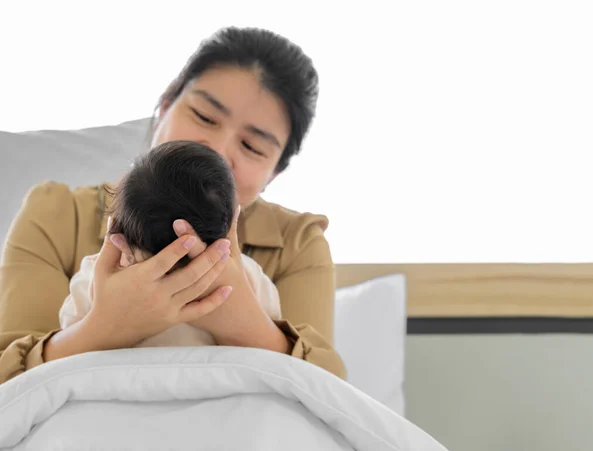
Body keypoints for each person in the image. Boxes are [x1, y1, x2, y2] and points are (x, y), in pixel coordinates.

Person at [0, 26, 346, 384]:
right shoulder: (56, 214)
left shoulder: (297, 242)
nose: (218, 149)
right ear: (165, 106)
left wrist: (243, 321)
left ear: (273, 173)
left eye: (252, 147)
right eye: (205, 117)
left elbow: (333, 391)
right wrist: (104, 327)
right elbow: (6, 383)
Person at [59, 140, 282, 348]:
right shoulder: (247, 279)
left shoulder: (96, 280)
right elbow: (274, 332)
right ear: (232, 223)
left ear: (119, 238)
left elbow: (68, 336)